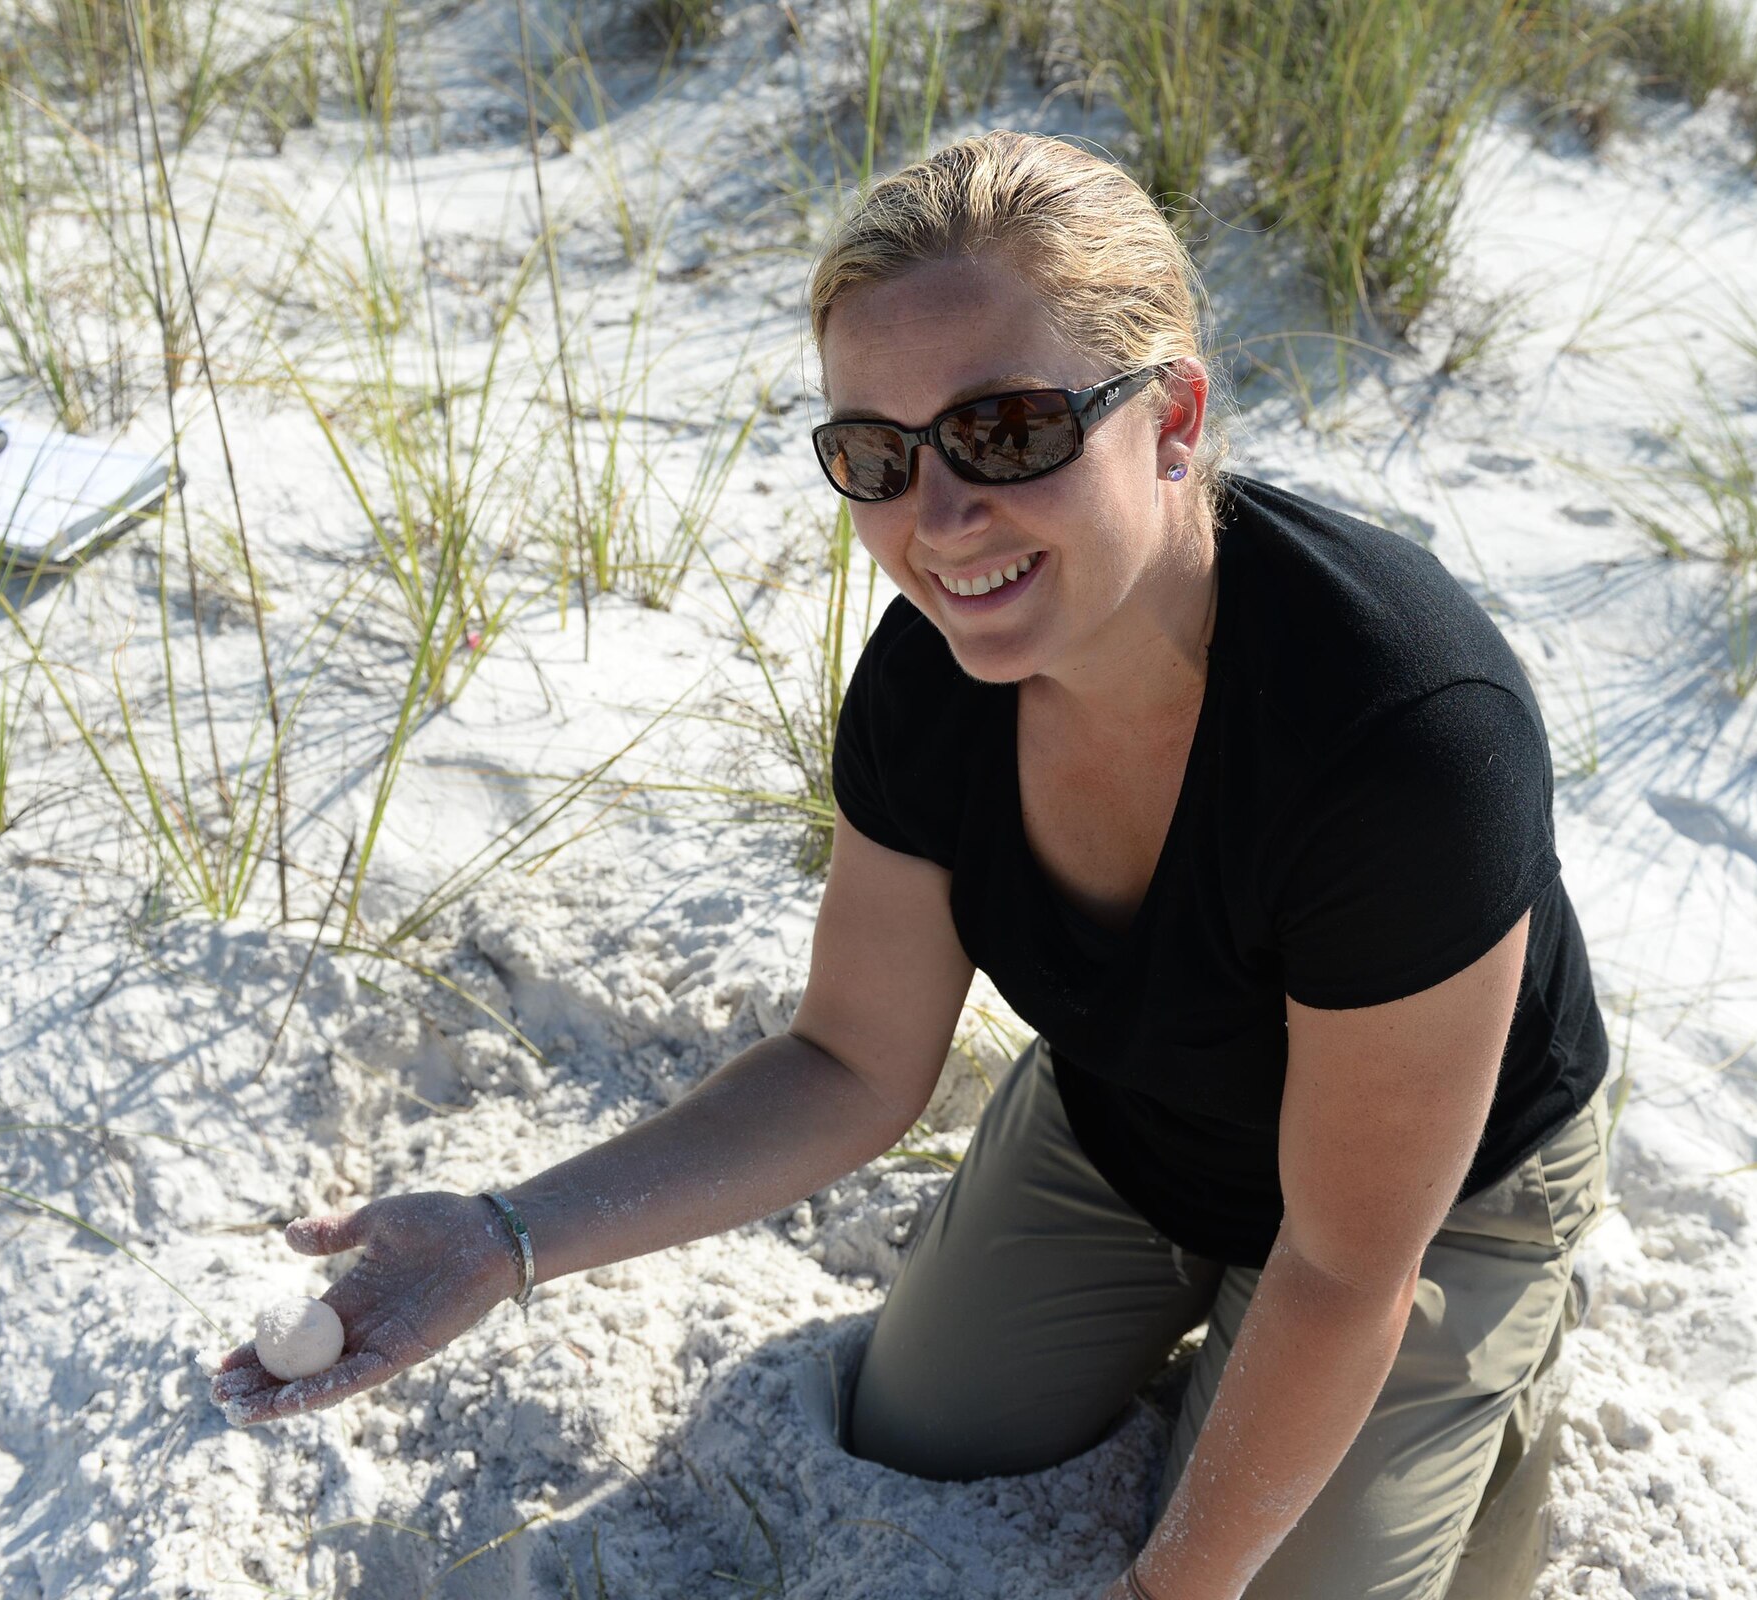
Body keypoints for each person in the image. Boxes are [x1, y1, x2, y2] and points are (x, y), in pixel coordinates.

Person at [211, 131, 1613, 1600]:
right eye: (875, 455)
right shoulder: (934, 683)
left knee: (1272, 1571)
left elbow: (1339, 1271)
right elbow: (848, 1062)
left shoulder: (1400, 732)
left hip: (1432, 1202)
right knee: (920, 1429)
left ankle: (1492, 1393)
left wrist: (1170, 1584)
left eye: (1006, 430)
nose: (937, 523)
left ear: (1176, 418)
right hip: (1131, 1121)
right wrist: (504, 1238)